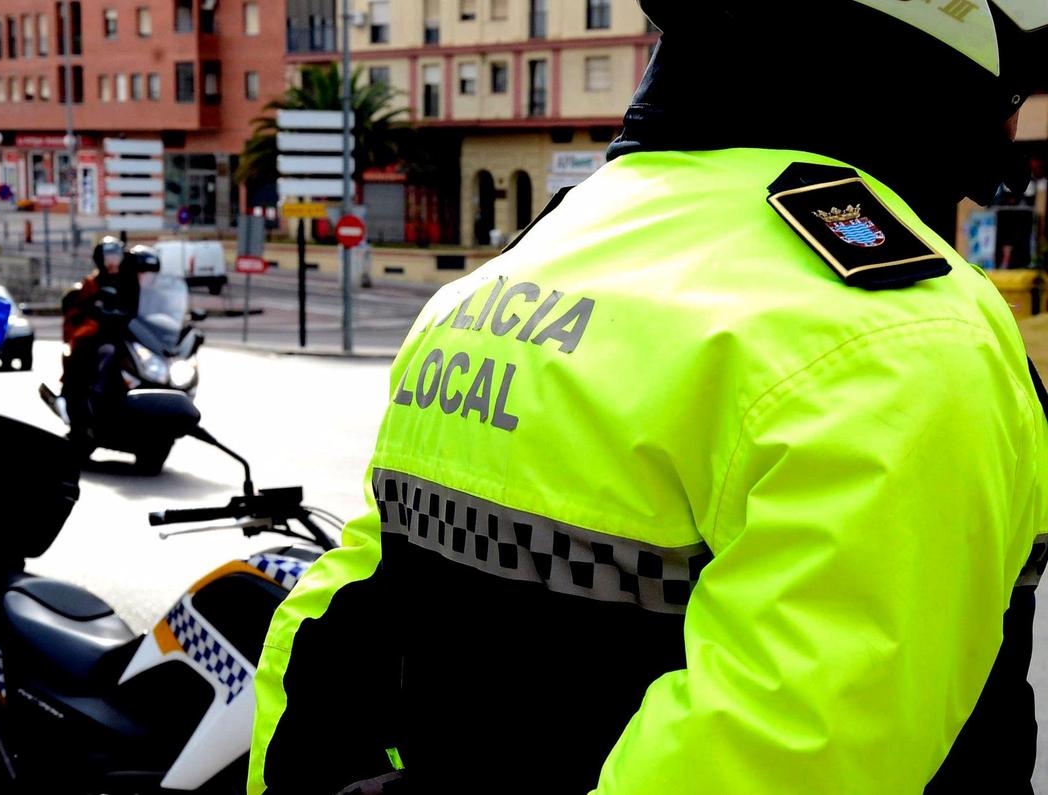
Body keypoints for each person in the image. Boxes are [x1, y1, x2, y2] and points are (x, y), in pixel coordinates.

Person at [248, 2, 1048, 793]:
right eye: (1014, 97)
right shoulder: (897, 336)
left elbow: (334, 626)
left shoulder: (512, 270)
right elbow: (776, 758)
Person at [61, 236, 138, 439]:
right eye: (108, 257)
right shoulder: (93, 283)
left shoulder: (129, 282)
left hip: (124, 336)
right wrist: (99, 312)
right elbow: (79, 303)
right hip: (97, 338)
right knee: (99, 355)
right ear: (99, 260)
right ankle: (89, 396)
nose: (112, 262)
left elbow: (137, 309)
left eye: (116, 256)